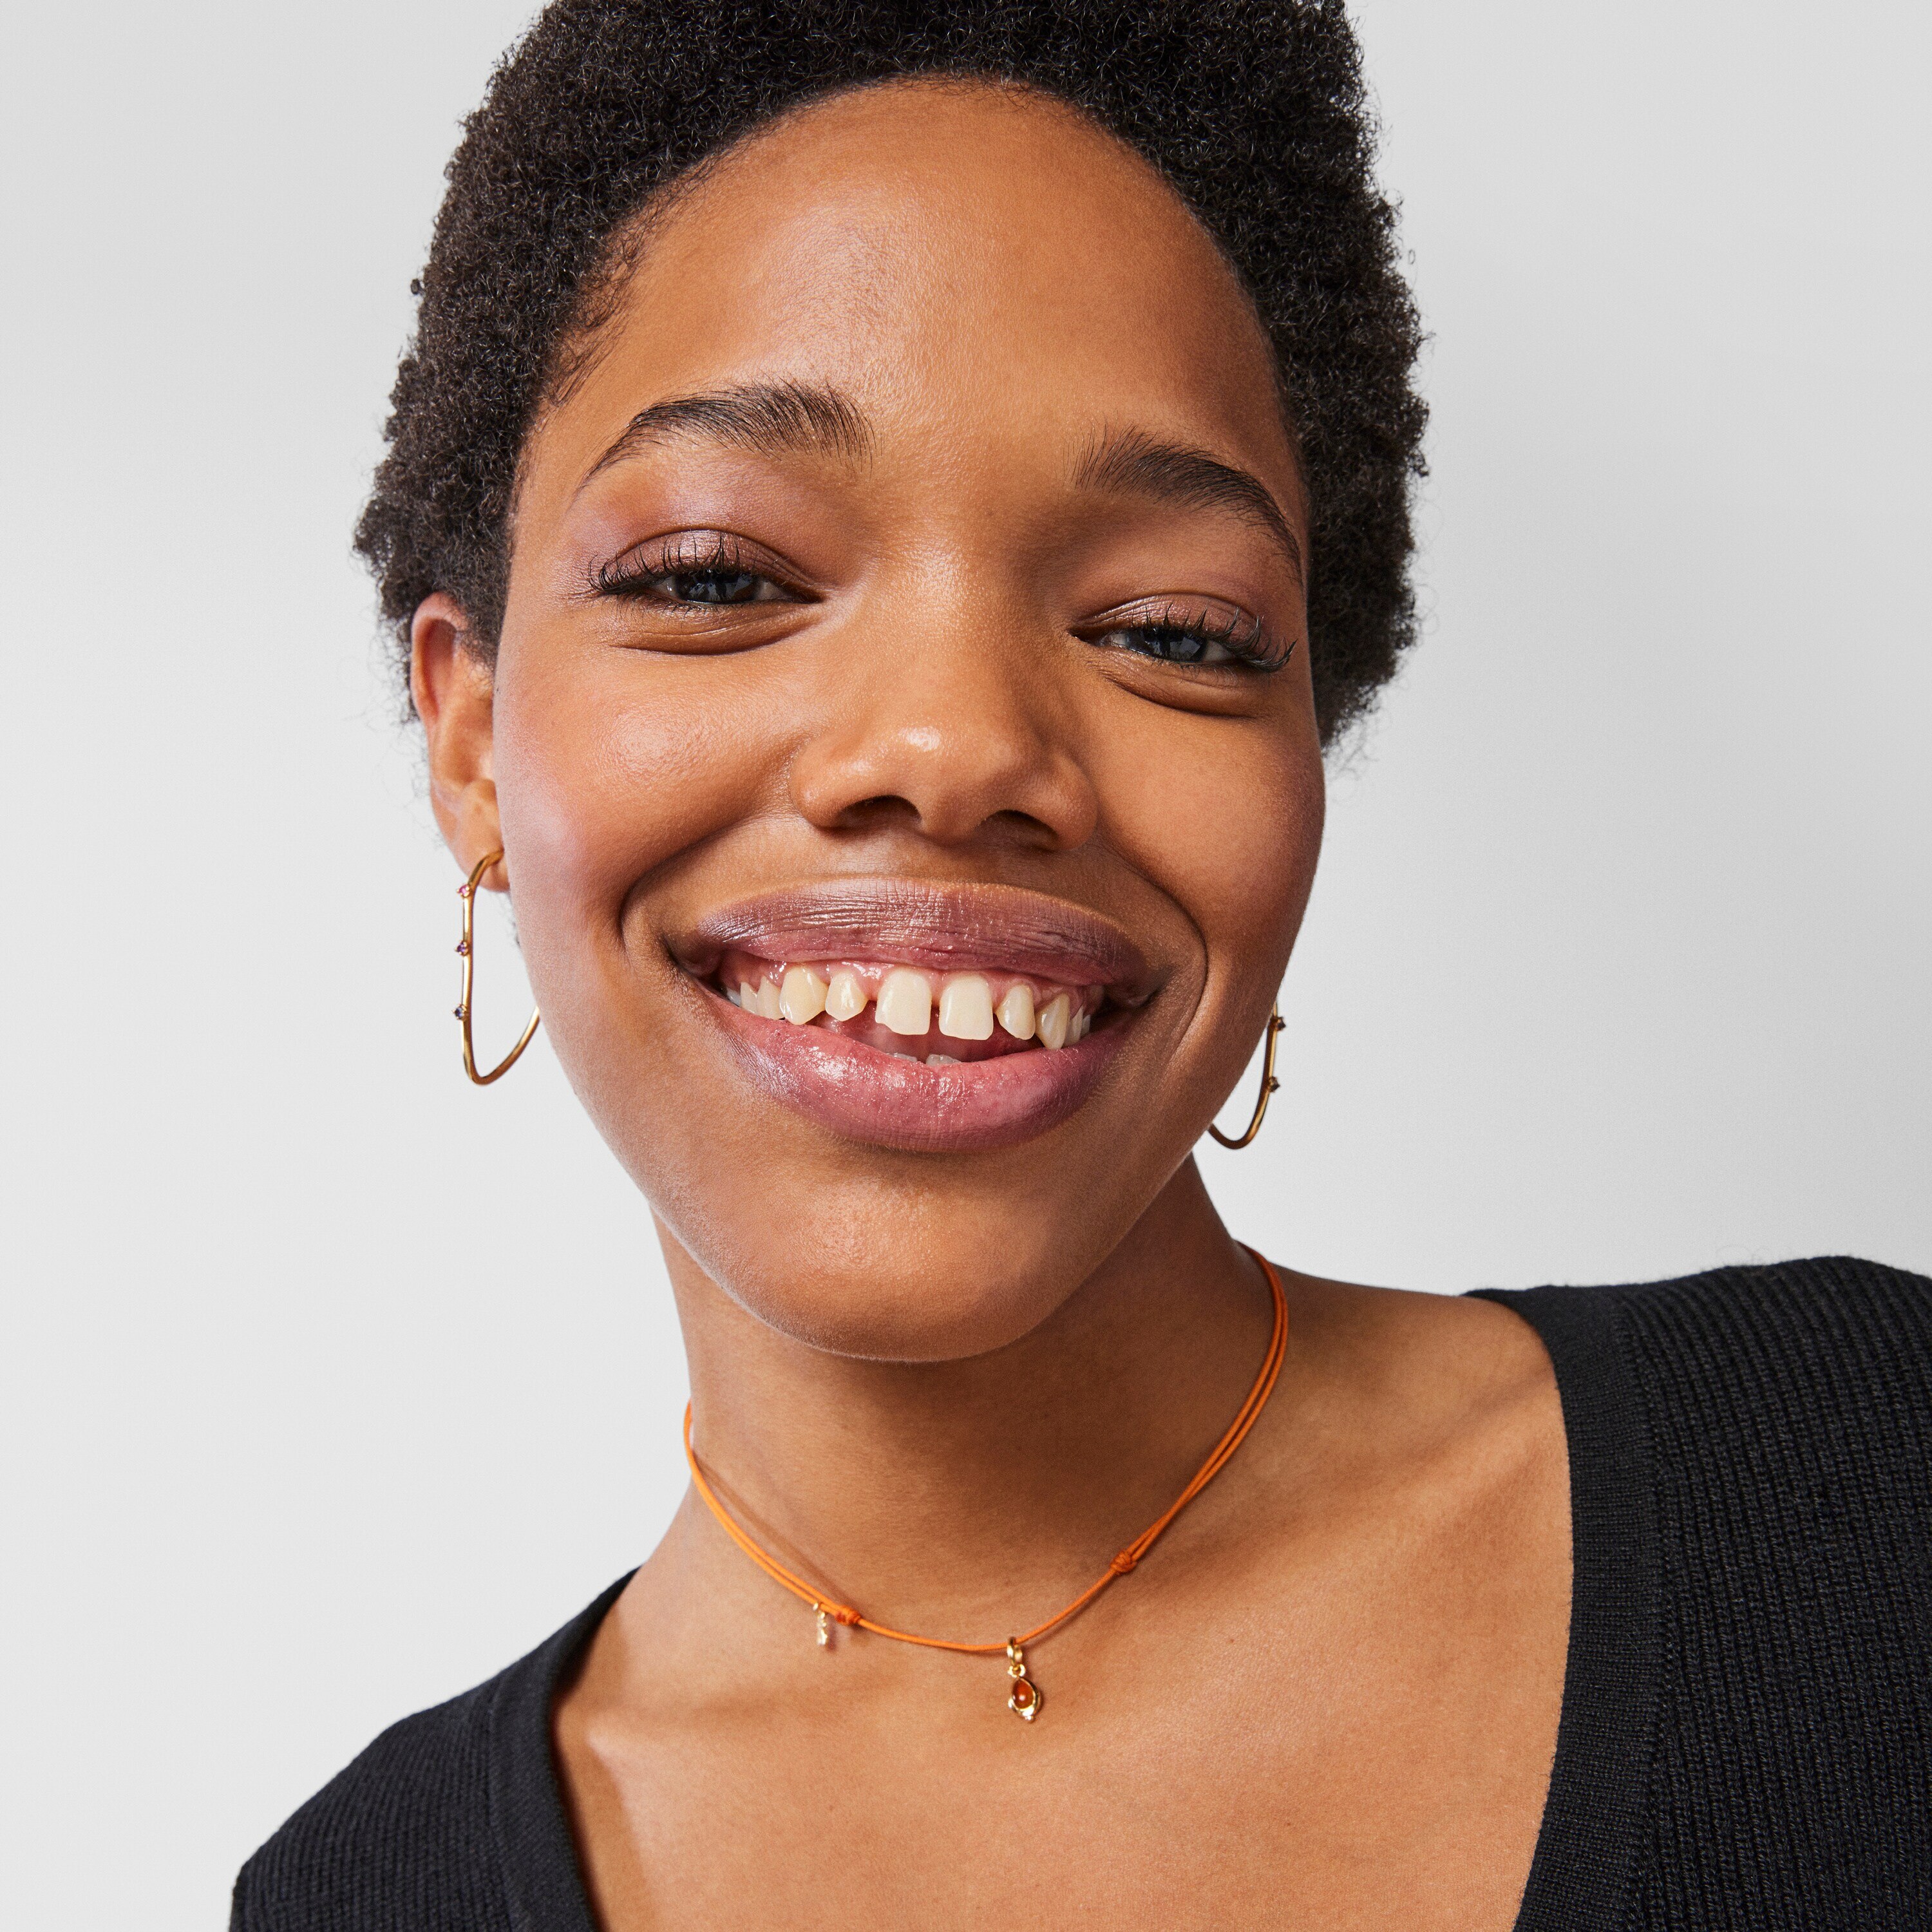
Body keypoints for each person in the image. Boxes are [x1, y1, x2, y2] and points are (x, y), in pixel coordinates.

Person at [232, 4, 1930, 1927]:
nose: (955, 748)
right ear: (466, 740)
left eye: (1177, 630)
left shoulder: (1870, 1499)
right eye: (719, 576)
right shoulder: (364, 1899)